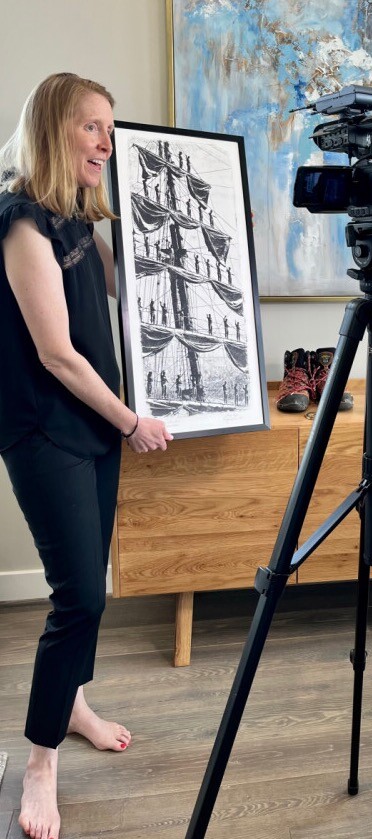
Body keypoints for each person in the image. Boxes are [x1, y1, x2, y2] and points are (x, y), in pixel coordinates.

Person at [0, 72, 173, 839]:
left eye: (111, 127)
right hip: (45, 432)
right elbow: (58, 354)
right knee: (81, 597)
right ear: (53, 130)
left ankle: (72, 704)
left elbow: (122, 288)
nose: (107, 140)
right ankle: (39, 761)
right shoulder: (21, 222)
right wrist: (133, 419)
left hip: (92, 430)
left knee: (88, 581)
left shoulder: (76, 220)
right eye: (92, 127)